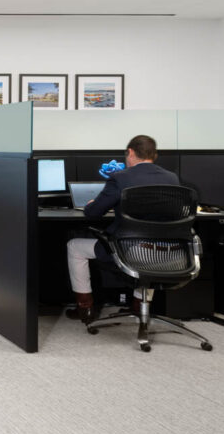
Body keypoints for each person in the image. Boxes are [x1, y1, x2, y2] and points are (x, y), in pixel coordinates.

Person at [65, 134, 179, 324]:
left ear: (131, 152)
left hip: (127, 249)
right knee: (151, 248)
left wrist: (93, 204)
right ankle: (138, 306)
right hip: (164, 250)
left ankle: (84, 308)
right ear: (154, 155)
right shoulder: (172, 178)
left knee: (74, 246)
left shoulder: (120, 178)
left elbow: (93, 214)